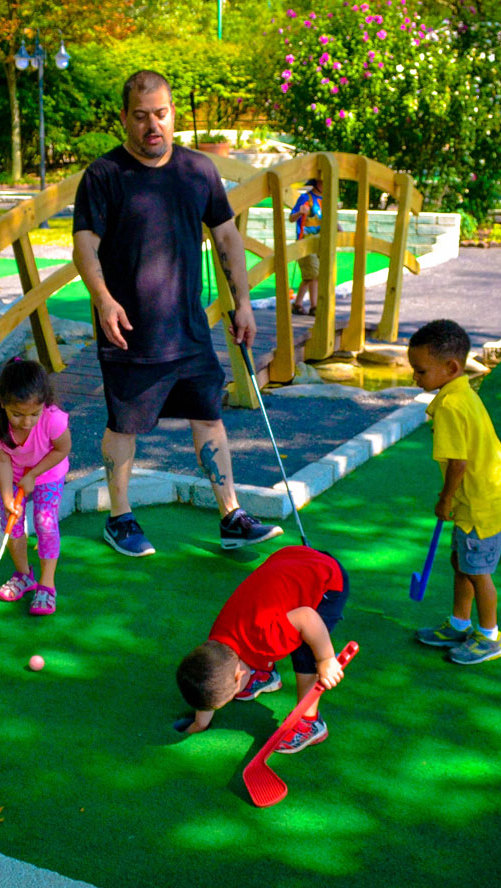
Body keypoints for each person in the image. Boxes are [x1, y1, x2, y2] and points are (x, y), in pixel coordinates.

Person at [72, 69, 283, 558]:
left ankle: (231, 515)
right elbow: (84, 244)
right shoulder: (104, 175)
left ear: (173, 115)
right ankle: (120, 517)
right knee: (124, 424)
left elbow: (226, 235)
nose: (153, 126)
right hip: (129, 330)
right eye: (141, 116)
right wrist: (103, 298)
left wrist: (243, 303)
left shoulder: (198, 170)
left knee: (209, 416)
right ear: (123, 118)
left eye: (161, 114)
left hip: (188, 327)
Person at [407, 319, 501, 664]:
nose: (415, 377)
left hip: (480, 506)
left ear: (452, 368)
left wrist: (444, 500)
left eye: (421, 371)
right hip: (478, 500)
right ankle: (459, 624)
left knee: (477, 572)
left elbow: (458, 463)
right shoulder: (461, 393)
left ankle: (490, 636)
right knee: (462, 563)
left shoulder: (450, 405)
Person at [176, 545, 350, 753]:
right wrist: (200, 723)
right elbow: (206, 675)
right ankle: (265, 674)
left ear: (240, 675)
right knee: (271, 636)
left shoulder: (266, 637)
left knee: (305, 652)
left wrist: (326, 659)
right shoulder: (217, 641)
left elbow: (307, 617)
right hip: (290, 558)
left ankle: (308, 721)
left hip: (327, 580)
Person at [0, 357, 72, 616]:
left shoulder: (53, 420)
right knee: (11, 525)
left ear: (44, 404)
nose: (26, 422)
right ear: (2, 403)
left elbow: (62, 450)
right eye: (17, 414)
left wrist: (34, 474)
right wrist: (7, 497)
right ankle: (23, 575)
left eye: (34, 414)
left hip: (48, 473)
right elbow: (1, 461)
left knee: (45, 523)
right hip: (13, 476)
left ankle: (47, 585)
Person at [289, 177, 323, 315]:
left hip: (320, 241)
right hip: (305, 241)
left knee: (312, 276)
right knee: (313, 273)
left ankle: (297, 304)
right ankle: (314, 307)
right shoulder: (305, 198)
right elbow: (291, 218)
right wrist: (300, 212)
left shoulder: (326, 200)